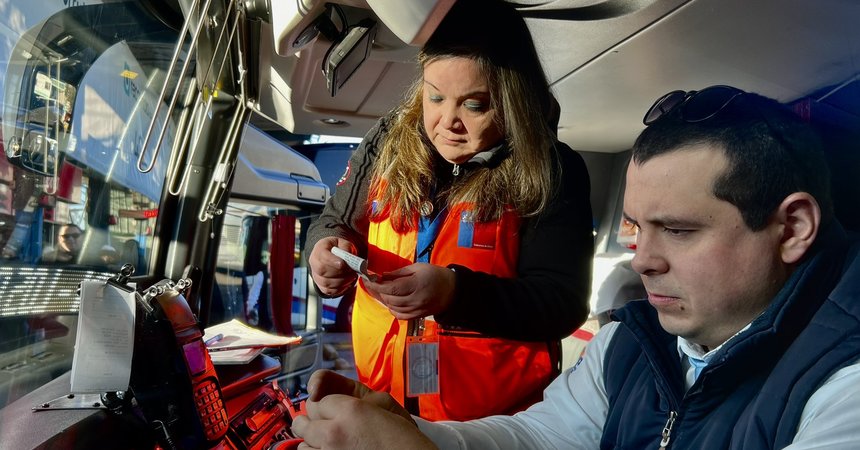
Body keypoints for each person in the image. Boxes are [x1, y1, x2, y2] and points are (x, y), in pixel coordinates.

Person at [291, 85, 860, 449]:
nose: (643, 260)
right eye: (635, 227)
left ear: (792, 229)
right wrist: (414, 435)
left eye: (680, 231)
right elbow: (538, 436)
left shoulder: (846, 385)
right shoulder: (631, 345)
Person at [304, 0, 594, 421]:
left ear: (514, 101)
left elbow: (561, 302)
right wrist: (323, 250)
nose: (447, 121)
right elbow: (335, 219)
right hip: (384, 404)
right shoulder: (386, 142)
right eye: (435, 96)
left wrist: (456, 292)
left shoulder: (552, 168)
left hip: (495, 424)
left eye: (474, 105)